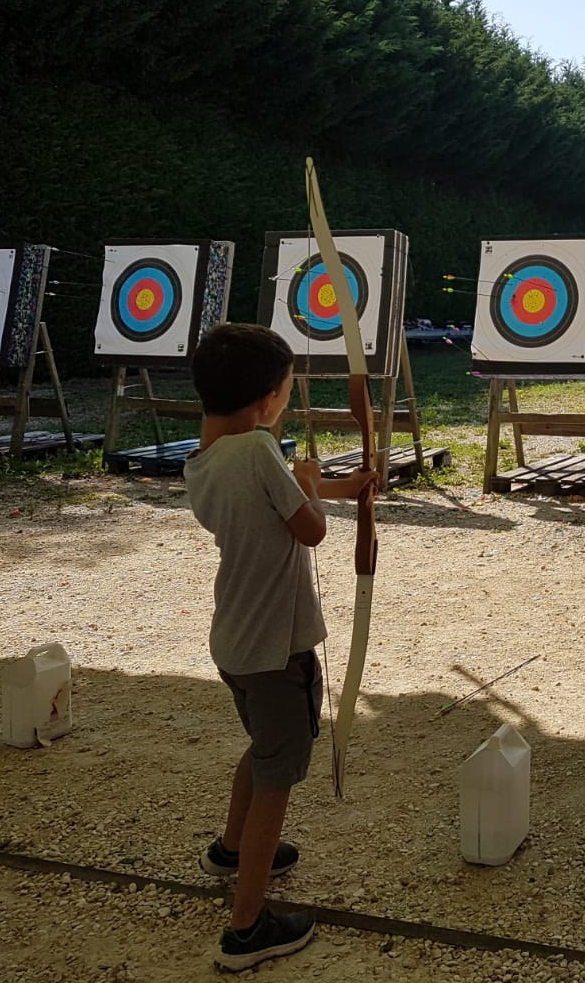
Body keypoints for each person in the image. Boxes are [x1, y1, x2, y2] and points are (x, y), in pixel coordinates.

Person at [183, 323, 372, 971]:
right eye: (287, 391)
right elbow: (310, 529)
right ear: (267, 400)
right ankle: (246, 929)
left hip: (238, 645)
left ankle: (231, 849)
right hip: (274, 651)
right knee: (277, 776)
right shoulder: (260, 449)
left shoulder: (206, 459)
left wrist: (341, 485)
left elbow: (279, 501)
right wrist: (317, 484)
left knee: (263, 748)